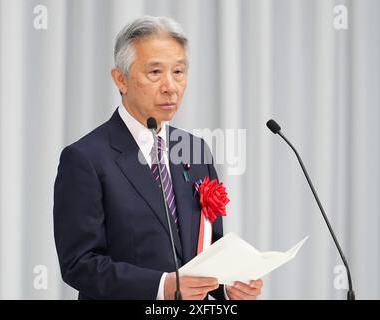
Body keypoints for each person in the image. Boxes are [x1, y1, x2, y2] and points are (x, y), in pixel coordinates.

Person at [53, 16, 263, 300]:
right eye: (155, 72)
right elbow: (79, 264)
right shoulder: (86, 158)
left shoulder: (195, 149)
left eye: (178, 72)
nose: (170, 86)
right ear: (121, 79)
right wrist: (161, 287)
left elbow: (210, 246)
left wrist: (229, 287)